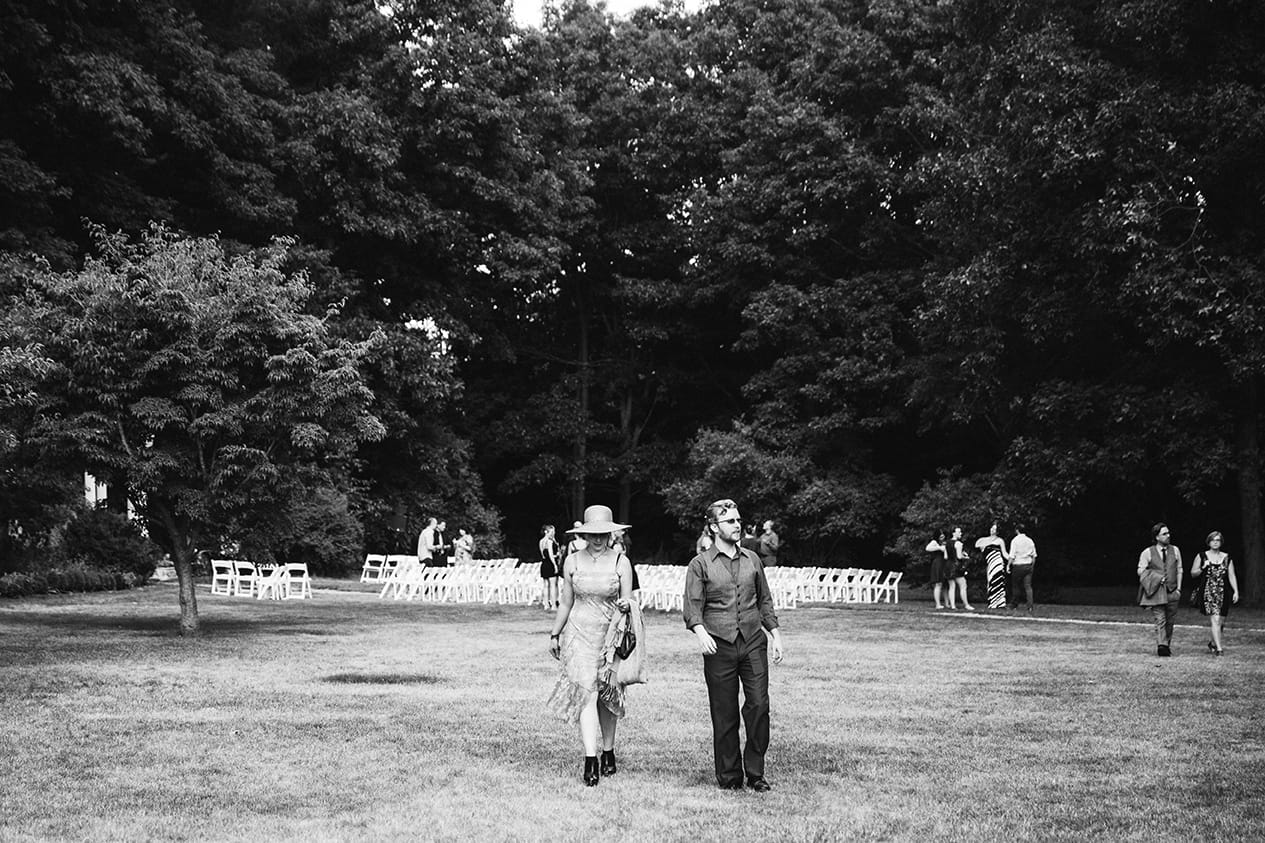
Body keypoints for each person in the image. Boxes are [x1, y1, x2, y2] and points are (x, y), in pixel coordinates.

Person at [684, 498, 784, 792]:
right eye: (730, 521)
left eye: (739, 520)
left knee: (759, 706)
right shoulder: (700, 564)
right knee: (724, 712)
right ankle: (729, 776)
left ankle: (755, 772)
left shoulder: (752, 559)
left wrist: (775, 633)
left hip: (753, 641)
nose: (737, 525)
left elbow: (764, 599)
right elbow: (692, 606)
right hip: (719, 645)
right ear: (714, 527)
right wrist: (700, 631)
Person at [547, 505, 636, 786]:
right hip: (579, 632)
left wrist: (625, 605)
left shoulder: (621, 561)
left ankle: (608, 750)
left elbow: (630, 601)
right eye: (592, 534)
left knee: (608, 695)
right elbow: (565, 601)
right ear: (583, 534)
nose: (598, 539)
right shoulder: (572, 561)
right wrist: (555, 633)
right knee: (586, 694)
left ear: (610, 534)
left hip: (610, 633)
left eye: (603, 534)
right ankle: (590, 758)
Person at [1190, 531, 1240, 656]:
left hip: (1223, 592)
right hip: (1208, 591)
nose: (1215, 542)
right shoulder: (1202, 556)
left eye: (1218, 540)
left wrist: (1236, 591)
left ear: (1221, 542)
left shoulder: (1227, 558)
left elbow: (1231, 575)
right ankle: (1219, 649)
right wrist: (1202, 567)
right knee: (1215, 619)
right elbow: (1193, 573)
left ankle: (1212, 642)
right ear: (1209, 542)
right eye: (1213, 540)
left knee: (1221, 621)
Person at [1137, 522, 1182, 657]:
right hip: (1156, 592)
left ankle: (1166, 644)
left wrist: (1179, 588)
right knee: (1160, 619)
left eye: (1168, 533)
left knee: (1170, 620)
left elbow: (1180, 569)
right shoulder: (1147, 552)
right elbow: (1141, 570)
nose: (1168, 536)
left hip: (1173, 590)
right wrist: (1156, 578)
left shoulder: (1175, 550)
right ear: (1156, 537)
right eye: (1164, 534)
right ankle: (1161, 646)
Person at [974, 523, 1009, 609]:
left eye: (995, 529)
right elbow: (977, 544)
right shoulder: (984, 540)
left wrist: (1012, 559)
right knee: (991, 581)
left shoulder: (1000, 540)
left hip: (998, 562)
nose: (992, 530)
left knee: (999, 581)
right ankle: (992, 602)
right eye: (992, 528)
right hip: (990, 563)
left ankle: (1000, 603)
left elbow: (1004, 553)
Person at [1008, 524, 1037, 613]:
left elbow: (1012, 555)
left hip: (1018, 565)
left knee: (1016, 586)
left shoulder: (1015, 541)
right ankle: (1030, 606)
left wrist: (1008, 565)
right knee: (1028, 587)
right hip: (1028, 565)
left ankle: (1014, 604)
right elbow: (1034, 555)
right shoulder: (1030, 540)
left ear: (1017, 530)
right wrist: (1032, 565)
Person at [947, 526, 975, 611]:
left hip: (948, 565)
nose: (961, 533)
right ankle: (966, 604)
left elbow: (946, 555)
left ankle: (952, 605)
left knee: (952, 586)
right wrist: (966, 557)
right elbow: (959, 556)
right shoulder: (958, 543)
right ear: (954, 533)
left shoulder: (947, 543)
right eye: (959, 532)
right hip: (956, 566)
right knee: (963, 584)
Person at [925, 532, 950, 609]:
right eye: (940, 535)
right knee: (938, 583)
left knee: (946, 584)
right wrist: (939, 548)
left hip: (945, 563)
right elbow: (927, 548)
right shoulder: (934, 542)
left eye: (943, 535)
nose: (942, 536)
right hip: (938, 564)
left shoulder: (945, 543)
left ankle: (947, 603)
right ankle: (938, 604)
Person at [539, 524, 561, 611]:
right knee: (553, 585)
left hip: (544, 563)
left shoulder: (541, 541)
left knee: (545, 585)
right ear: (546, 532)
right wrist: (555, 565)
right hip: (551, 563)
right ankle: (554, 605)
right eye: (551, 532)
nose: (553, 533)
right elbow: (551, 554)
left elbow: (543, 554)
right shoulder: (549, 541)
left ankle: (546, 604)